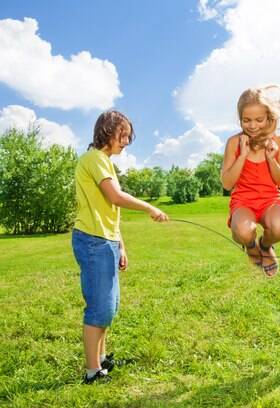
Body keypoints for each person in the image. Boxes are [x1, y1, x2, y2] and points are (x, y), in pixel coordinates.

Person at [72, 110, 169, 384]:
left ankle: (100, 360)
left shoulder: (103, 161)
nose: (126, 141)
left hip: (106, 241)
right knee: (99, 308)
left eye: (128, 136)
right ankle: (92, 372)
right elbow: (114, 197)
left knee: (108, 306)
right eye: (122, 134)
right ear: (107, 131)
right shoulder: (95, 158)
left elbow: (109, 212)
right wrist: (150, 207)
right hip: (93, 241)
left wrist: (121, 246)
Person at [221, 85, 280, 277]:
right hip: (243, 201)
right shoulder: (234, 143)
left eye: (259, 120)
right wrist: (242, 155)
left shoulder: (279, 143)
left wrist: (271, 158)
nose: (252, 125)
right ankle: (251, 246)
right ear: (240, 119)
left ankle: (265, 246)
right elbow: (227, 184)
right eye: (246, 120)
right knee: (243, 231)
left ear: (269, 117)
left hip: (270, 200)